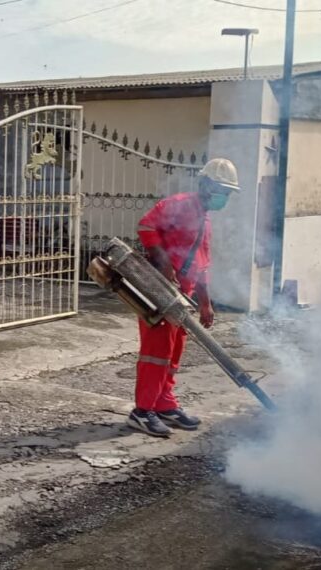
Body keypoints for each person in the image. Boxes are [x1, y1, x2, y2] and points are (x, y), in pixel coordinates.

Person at [126, 158, 240, 438]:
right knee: (157, 353)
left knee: (173, 353)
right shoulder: (179, 204)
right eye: (221, 189)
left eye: (228, 192)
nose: (224, 196)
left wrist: (205, 303)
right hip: (160, 292)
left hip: (183, 297)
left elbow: (202, 266)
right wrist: (164, 262)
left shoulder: (205, 220)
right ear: (206, 185)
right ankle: (142, 412)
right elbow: (146, 227)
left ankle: (164, 404)